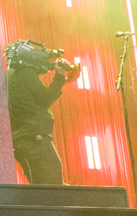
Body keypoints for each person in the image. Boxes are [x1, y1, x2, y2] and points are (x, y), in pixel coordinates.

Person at [5, 40, 81, 185]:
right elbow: (45, 99)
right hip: (34, 139)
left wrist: (60, 77)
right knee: (53, 180)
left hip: (23, 139)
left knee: (41, 186)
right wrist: (60, 76)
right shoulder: (25, 73)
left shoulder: (11, 75)